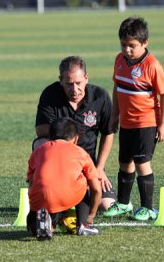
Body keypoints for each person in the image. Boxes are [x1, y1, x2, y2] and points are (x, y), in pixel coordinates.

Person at [103, 16, 164, 221]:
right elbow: (117, 87)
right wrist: (115, 115)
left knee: (142, 163)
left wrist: (163, 124)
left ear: (145, 43)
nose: (127, 50)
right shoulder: (119, 60)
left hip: (146, 123)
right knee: (124, 161)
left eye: (132, 46)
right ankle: (123, 203)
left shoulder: (152, 65)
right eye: (123, 45)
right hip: (126, 123)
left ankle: (148, 207)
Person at [34, 55, 116, 210]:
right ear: (61, 80)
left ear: (86, 78)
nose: (74, 89)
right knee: (40, 143)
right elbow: (40, 130)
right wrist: (67, 130)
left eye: (78, 83)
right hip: (59, 162)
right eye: (69, 84)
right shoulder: (50, 94)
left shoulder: (100, 96)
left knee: (106, 205)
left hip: (87, 163)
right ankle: (49, 187)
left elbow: (108, 133)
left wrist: (99, 168)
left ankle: (75, 194)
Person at [26, 117, 102, 239]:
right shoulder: (81, 152)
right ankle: (83, 225)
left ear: (49, 137)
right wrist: (91, 215)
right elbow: (97, 189)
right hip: (69, 195)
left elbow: (31, 183)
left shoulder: (38, 151)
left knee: (33, 224)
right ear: (76, 138)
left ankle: (46, 226)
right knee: (84, 181)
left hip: (40, 197)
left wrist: (32, 210)